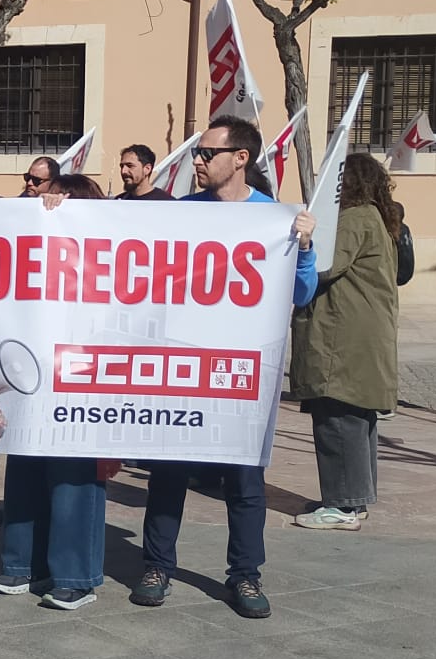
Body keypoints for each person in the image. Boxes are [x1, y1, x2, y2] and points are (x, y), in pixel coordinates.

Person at [136, 116, 318, 618]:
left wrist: (302, 247)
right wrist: (57, 208)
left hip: (243, 372)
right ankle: (156, 565)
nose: (197, 161)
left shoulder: (274, 218)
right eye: (197, 152)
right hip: (182, 364)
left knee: (244, 480)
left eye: (207, 153)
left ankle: (245, 575)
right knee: (168, 472)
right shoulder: (182, 213)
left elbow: (301, 294)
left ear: (240, 158)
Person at [0, 173, 113, 609]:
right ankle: (23, 564)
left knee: (73, 477)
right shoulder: (36, 249)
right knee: (25, 468)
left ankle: (75, 575)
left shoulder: (107, 254)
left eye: (58, 202)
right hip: (36, 374)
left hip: (83, 378)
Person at [290, 153, 400, 530]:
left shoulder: (353, 219)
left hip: (343, 336)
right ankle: (351, 497)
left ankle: (344, 506)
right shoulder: (373, 217)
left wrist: (303, 243)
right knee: (357, 417)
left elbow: (324, 266)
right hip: (357, 333)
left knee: (338, 414)